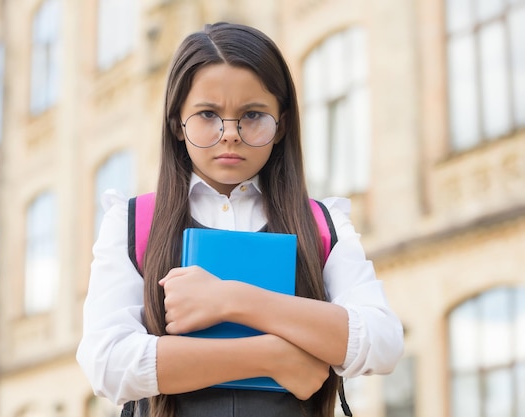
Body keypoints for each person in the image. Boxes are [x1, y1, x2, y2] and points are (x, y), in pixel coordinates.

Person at [77, 21, 404, 417]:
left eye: (252, 114)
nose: (230, 133)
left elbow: (382, 342)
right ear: (176, 124)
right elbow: (108, 364)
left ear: (281, 124)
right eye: (207, 114)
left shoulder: (323, 223)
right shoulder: (132, 222)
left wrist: (230, 299)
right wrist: (271, 356)